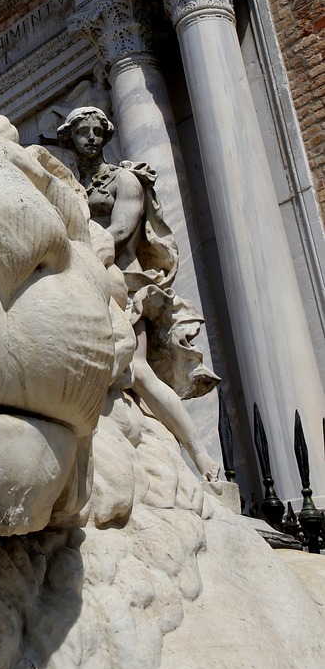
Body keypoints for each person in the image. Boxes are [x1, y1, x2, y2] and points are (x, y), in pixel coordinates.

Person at [57, 106, 221, 479]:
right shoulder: (71, 186)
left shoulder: (124, 180)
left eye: (98, 131)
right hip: (85, 282)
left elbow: (119, 232)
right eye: (83, 131)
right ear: (68, 137)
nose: (91, 137)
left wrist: (72, 254)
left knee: (140, 372)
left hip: (123, 286)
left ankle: (201, 456)